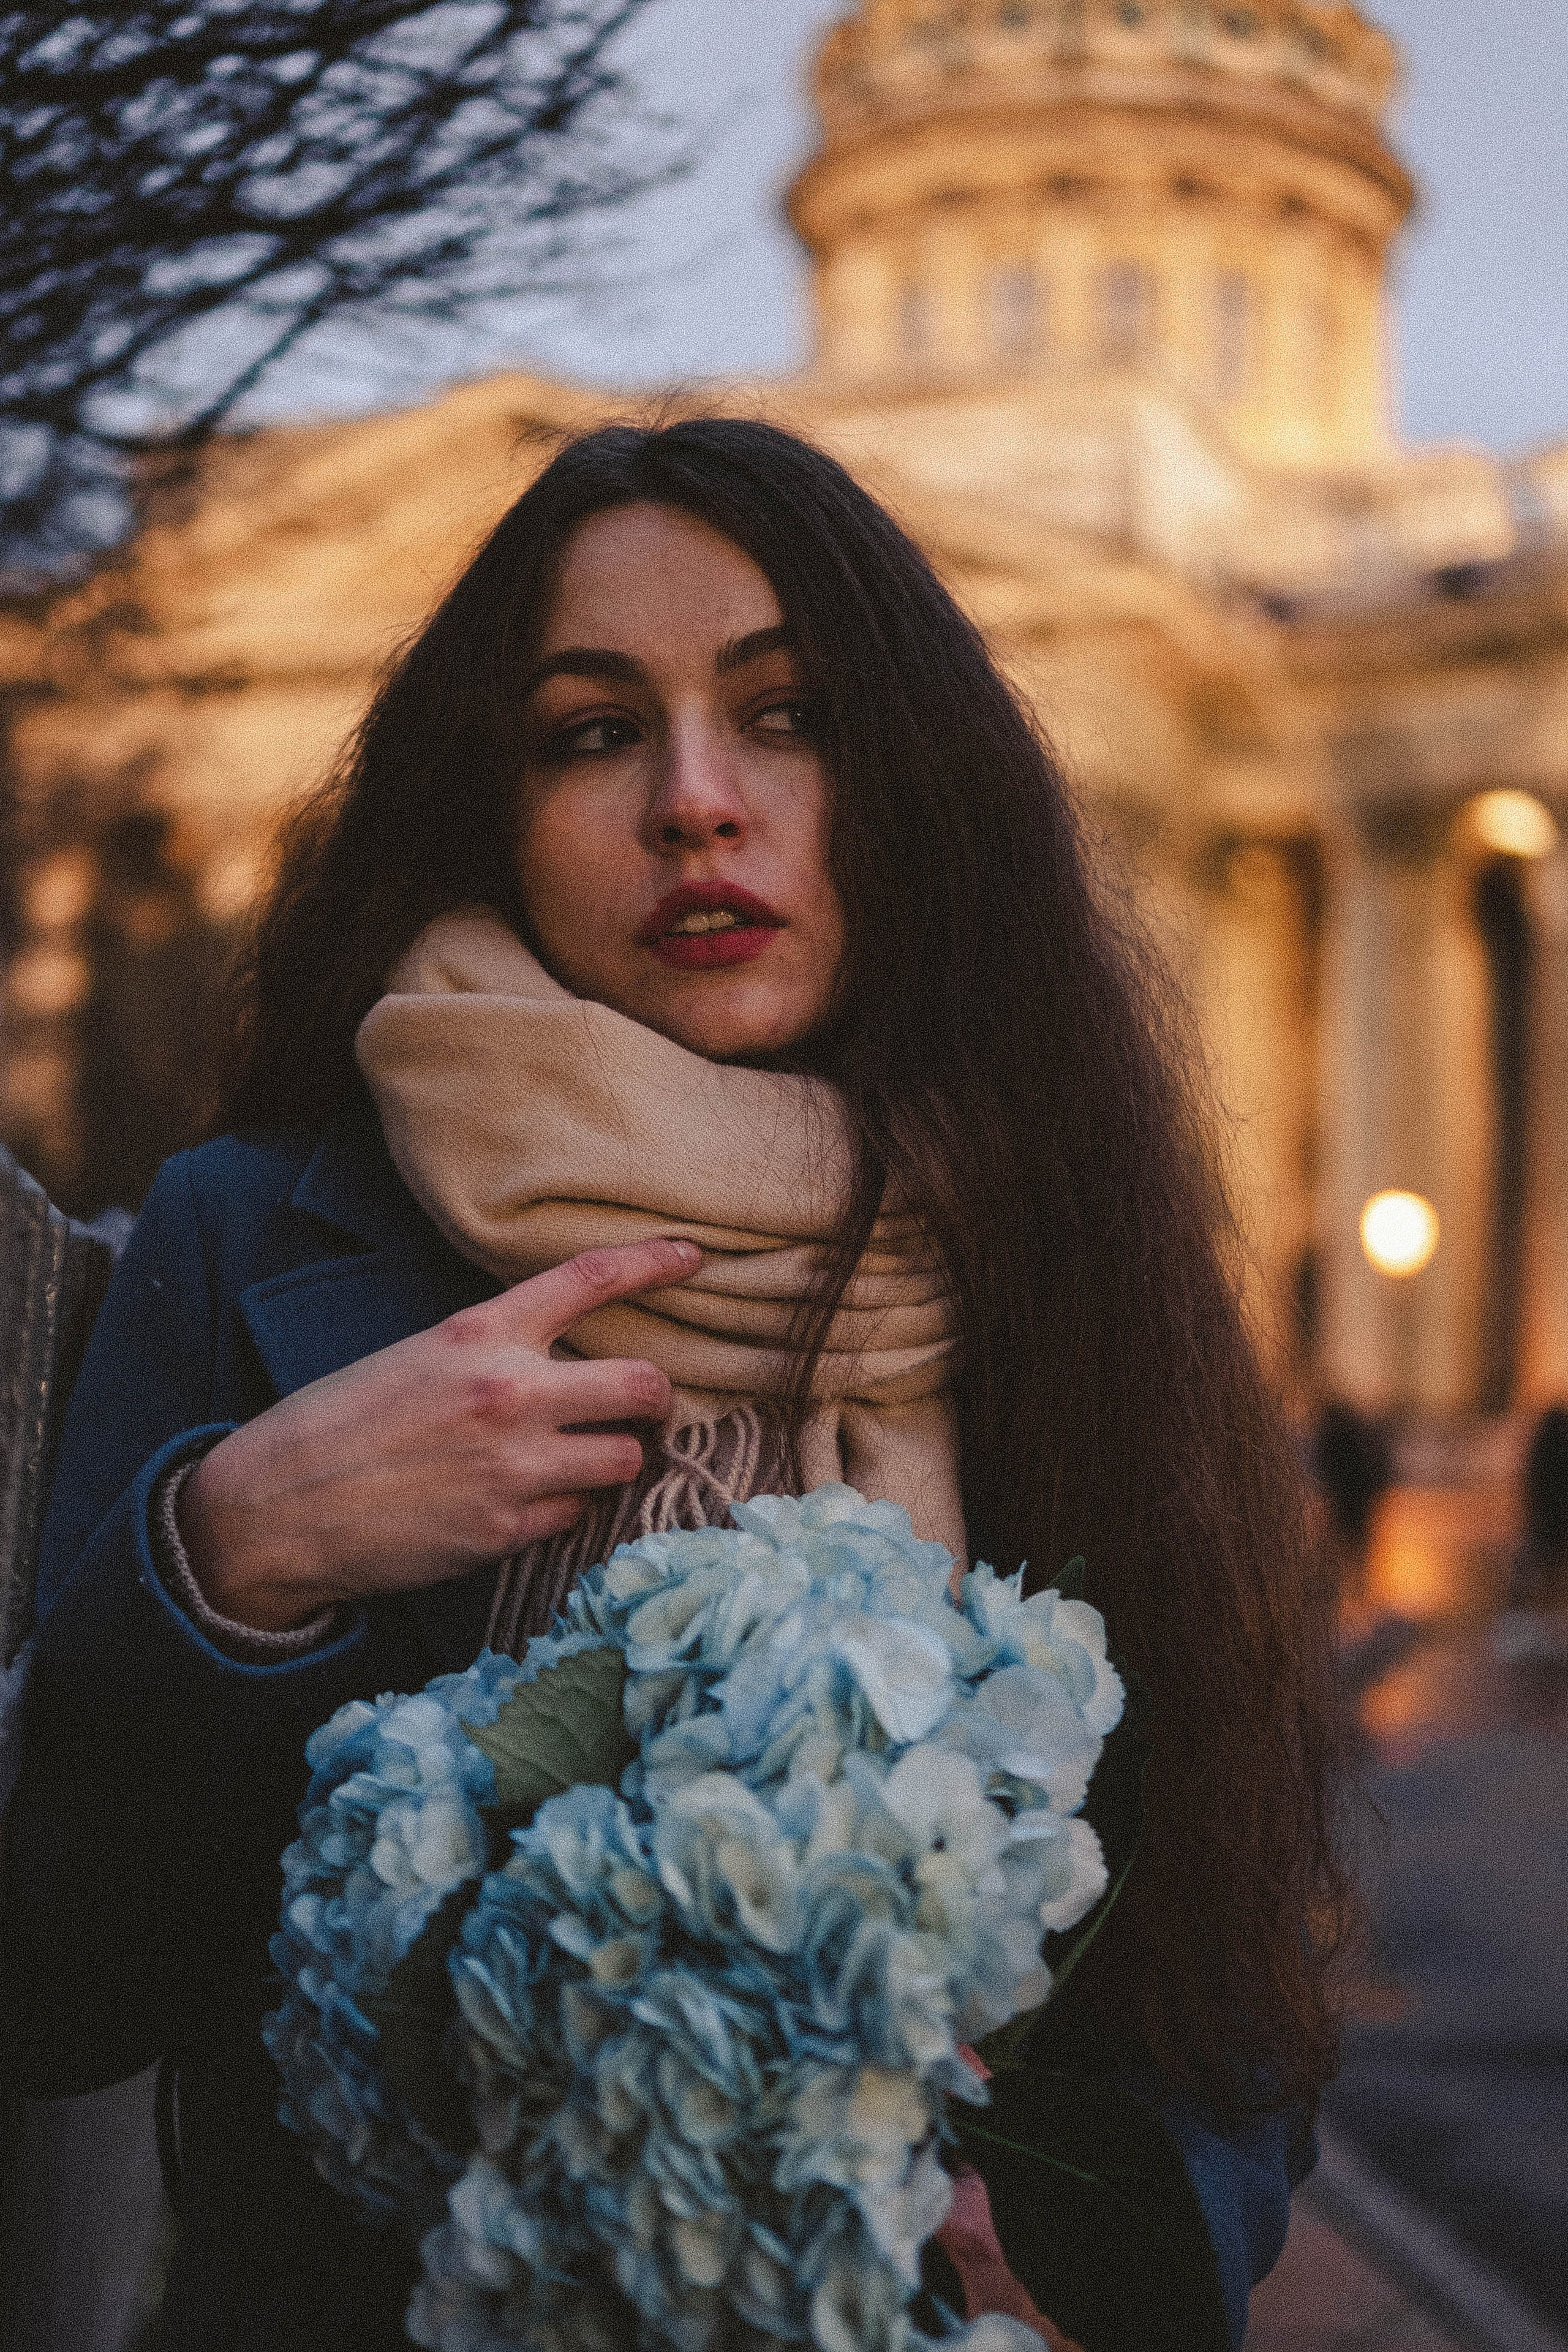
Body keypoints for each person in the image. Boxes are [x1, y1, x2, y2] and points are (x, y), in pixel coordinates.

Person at [0, 421, 1346, 2352]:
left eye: (790, 715)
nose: (698, 802)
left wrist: (1077, 2273)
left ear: (919, 785)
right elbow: (62, 1990)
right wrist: (241, 1553)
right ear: (492, 800)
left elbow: (1224, 1989)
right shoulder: (253, 1239)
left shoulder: (1075, 1273)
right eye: (591, 731)